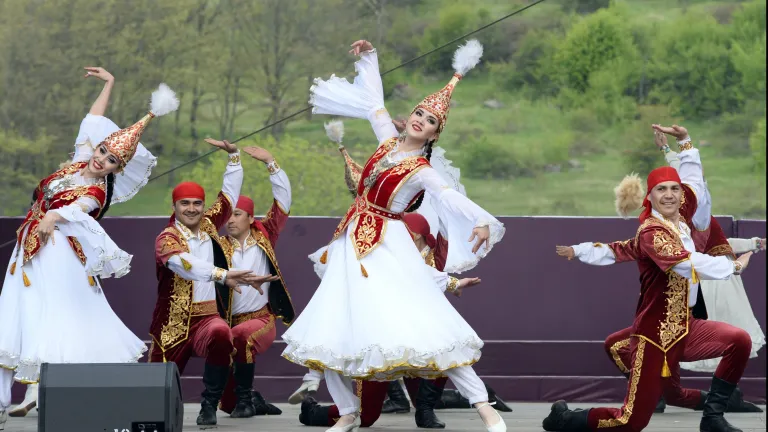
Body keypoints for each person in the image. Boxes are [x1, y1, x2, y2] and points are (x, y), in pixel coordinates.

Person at [281, 39, 507, 432]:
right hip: (351, 243)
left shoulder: (420, 169)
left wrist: (482, 220)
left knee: (428, 321)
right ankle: (348, 412)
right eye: (419, 112)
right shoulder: (386, 139)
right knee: (331, 326)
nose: (421, 119)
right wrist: (370, 57)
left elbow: (448, 196)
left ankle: (484, 406)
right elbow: (374, 104)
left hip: (387, 242)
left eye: (431, 120)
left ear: (435, 134)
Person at [543, 127, 755, 432]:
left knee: (739, 340)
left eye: (674, 189)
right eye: (661, 190)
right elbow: (685, 264)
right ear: (650, 196)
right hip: (654, 335)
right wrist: (733, 267)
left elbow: (694, 180)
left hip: (686, 327)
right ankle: (566, 418)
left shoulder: (682, 214)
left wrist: (684, 142)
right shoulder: (652, 233)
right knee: (630, 422)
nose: (669, 194)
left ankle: (713, 417)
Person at [0, 67, 177, 428]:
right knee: (12, 319)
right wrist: (110, 83)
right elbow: (91, 119)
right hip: (28, 251)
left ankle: (45, 393)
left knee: (52, 318)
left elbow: (76, 211)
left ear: (117, 169)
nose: (101, 160)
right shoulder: (78, 162)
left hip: (56, 255)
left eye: (111, 160)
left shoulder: (96, 192)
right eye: (102, 150)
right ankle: (5, 400)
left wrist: (53, 216)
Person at [147, 141, 278, 426]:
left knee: (222, 333)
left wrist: (233, 157)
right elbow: (184, 264)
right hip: (172, 325)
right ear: (174, 207)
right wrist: (222, 274)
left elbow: (229, 196)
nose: (192, 209)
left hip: (207, 318)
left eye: (197, 203)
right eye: (185, 204)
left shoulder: (208, 224)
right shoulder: (167, 238)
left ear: (203, 206)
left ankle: (208, 406)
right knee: (152, 400)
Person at [216, 145, 295, 418]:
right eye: (228, 214)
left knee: (242, 337)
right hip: (226, 321)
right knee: (225, 404)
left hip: (260, 319)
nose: (231, 219)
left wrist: (271, 162)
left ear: (251, 218)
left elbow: (283, 202)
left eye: (237, 214)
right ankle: (252, 399)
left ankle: (247, 403)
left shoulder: (265, 236)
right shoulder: (217, 246)